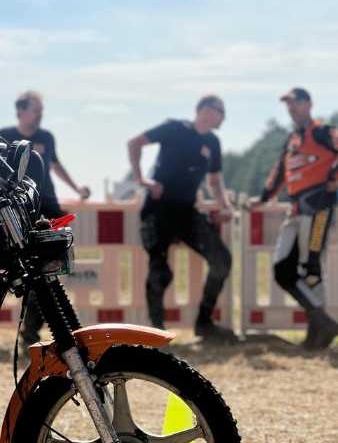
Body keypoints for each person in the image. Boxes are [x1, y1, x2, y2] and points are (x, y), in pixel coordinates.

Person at [128, 95, 236, 341]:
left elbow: (215, 180)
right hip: (158, 209)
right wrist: (141, 179)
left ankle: (204, 323)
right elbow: (134, 143)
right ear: (205, 110)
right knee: (161, 271)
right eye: (220, 111)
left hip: (186, 212)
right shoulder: (174, 128)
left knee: (222, 260)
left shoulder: (212, 142)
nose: (223, 117)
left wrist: (225, 206)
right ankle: (156, 331)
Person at [0, 90, 90, 351]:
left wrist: (77, 188)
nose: (40, 115)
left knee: (51, 270)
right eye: (36, 110)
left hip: (48, 205)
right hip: (20, 209)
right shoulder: (3, 136)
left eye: (41, 110)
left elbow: (55, 165)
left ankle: (52, 332)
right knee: (36, 273)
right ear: (21, 111)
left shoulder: (46, 137)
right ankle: (38, 333)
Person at [250, 88, 338, 348]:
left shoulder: (323, 132)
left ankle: (317, 333)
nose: (291, 108)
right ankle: (323, 323)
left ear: (309, 104)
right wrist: (263, 198)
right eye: (288, 104)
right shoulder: (292, 140)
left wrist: (333, 180)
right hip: (297, 208)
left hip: (320, 209)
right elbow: (279, 171)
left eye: (296, 102)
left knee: (311, 270)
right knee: (282, 269)